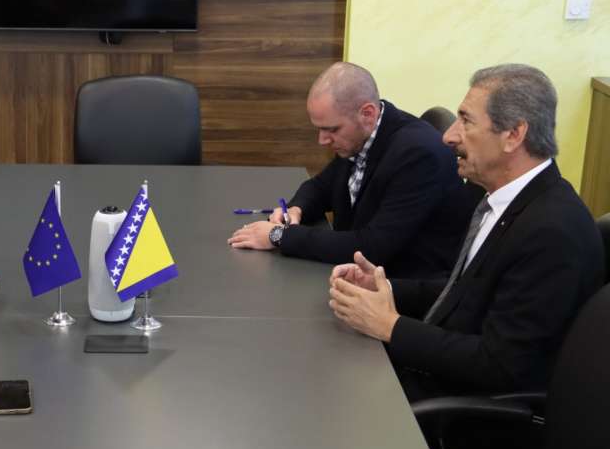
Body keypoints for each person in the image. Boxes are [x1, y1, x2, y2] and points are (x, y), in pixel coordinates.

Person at [329, 64, 604, 402]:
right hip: (437, 373)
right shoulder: (500, 200)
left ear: (514, 135)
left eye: (467, 121)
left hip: (460, 409)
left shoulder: (552, 232)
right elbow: (465, 290)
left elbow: (499, 365)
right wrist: (384, 286)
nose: (449, 136)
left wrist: (390, 326)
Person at [229, 62, 475, 279]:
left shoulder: (418, 155)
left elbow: (372, 247)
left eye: (332, 129)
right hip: (357, 273)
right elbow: (320, 186)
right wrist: (296, 209)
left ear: (367, 113)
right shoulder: (362, 136)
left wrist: (279, 236)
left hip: (400, 287)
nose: (322, 140)